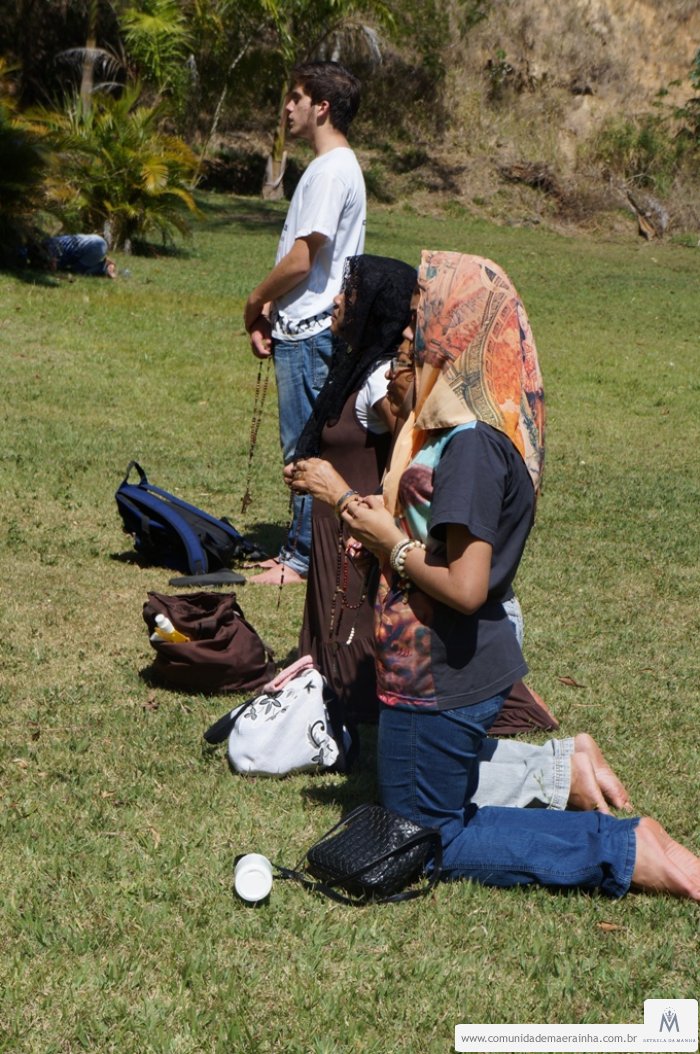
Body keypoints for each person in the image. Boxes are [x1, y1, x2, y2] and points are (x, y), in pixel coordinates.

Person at [297, 250, 700, 899]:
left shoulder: (473, 447)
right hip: (435, 668)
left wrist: (379, 534)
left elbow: (465, 585)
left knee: (425, 839)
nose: (408, 338)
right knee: (412, 804)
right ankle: (571, 782)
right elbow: (438, 542)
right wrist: (382, 531)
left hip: (442, 675)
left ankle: (623, 849)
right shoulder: (452, 432)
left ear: (459, 336)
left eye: (421, 323)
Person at [244, 61, 366, 585]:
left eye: (296, 97)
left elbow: (302, 259)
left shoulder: (331, 170)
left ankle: (300, 558)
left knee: (306, 446)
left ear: (322, 107)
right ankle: (305, 550)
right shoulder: (330, 167)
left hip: (312, 331)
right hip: (304, 324)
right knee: (308, 442)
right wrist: (274, 310)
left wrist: (255, 300)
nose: (288, 106)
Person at [45, 234, 116, 277]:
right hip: (92, 240)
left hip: (95, 248)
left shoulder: (50, 248)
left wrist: (53, 265)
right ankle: (103, 265)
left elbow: (53, 264)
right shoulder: (49, 241)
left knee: (78, 271)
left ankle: (104, 267)